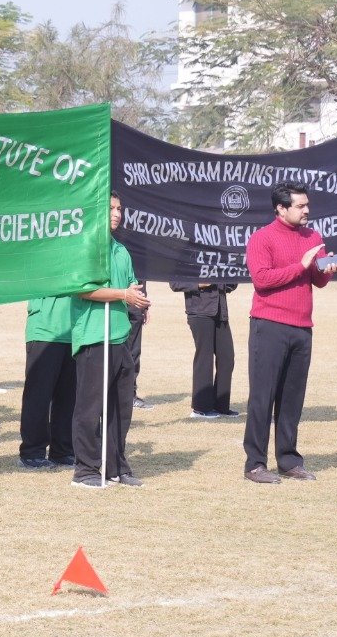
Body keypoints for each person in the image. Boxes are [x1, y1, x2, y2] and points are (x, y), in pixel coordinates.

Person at [242, 183, 337, 483]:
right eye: (300, 206)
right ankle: (255, 464)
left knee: (292, 397)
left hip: (302, 327)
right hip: (269, 325)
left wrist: (325, 269)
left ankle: (288, 460)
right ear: (281, 209)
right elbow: (262, 280)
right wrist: (301, 265)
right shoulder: (262, 238)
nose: (307, 210)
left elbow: (317, 280)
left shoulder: (313, 237)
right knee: (263, 396)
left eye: (307, 204)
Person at [70, 193, 151, 489]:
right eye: (111, 208)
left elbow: (129, 285)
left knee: (121, 406)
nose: (117, 214)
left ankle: (116, 466)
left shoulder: (121, 250)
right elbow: (81, 289)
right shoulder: (87, 246)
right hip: (94, 336)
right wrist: (122, 294)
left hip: (119, 336)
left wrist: (136, 296)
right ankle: (85, 469)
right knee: (90, 407)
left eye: (119, 209)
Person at [19, 296, 76, 470]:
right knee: (38, 396)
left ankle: (62, 451)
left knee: (68, 397)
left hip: (74, 331)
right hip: (44, 329)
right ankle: (32, 452)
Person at [170, 282, 238, 419]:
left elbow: (232, 284)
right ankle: (200, 408)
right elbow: (175, 283)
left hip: (220, 311)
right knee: (205, 358)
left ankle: (221, 406)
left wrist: (228, 280)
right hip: (199, 312)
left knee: (227, 358)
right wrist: (200, 284)